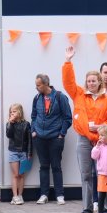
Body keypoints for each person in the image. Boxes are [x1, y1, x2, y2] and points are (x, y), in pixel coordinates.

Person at [63, 45, 107, 213]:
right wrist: (68, 61)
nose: (91, 83)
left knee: (104, 174)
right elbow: (68, 82)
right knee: (86, 174)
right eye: (88, 81)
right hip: (83, 140)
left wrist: (101, 127)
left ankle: (106, 208)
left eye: (94, 80)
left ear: (99, 82)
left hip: (102, 141)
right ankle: (87, 207)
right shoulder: (79, 94)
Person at [29, 73, 71, 205]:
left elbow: (67, 117)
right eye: (36, 85)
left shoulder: (60, 97)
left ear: (46, 84)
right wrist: (33, 131)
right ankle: (44, 194)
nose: (36, 87)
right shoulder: (36, 98)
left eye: (38, 85)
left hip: (55, 138)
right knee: (43, 166)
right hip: (39, 138)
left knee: (56, 166)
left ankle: (60, 195)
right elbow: (34, 116)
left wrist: (61, 134)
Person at [4, 103, 32, 204]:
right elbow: (8, 135)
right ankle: (14, 196)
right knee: (15, 174)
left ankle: (20, 195)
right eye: (11, 112)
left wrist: (29, 153)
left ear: (19, 112)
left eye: (14, 111)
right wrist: (11, 123)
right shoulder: (9, 124)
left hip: (24, 152)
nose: (12, 113)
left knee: (21, 175)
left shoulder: (26, 124)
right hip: (13, 151)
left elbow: (29, 140)